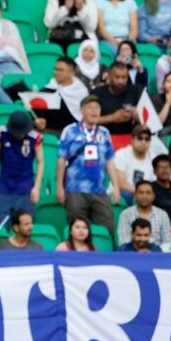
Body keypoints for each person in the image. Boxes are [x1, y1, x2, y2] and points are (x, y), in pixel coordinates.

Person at [56, 95, 123, 237]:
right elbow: (61, 160)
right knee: (76, 229)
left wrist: (115, 186)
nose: (94, 111)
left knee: (107, 227)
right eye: (90, 108)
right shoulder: (70, 130)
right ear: (81, 110)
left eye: (97, 108)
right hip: (75, 189)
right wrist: (59, 188)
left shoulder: (104, 133)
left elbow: (110, 160)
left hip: (99, 189)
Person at [0, 110, 43, 224]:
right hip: (5, 188)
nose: (20, 135)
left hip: (26, 188)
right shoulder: (2, 133)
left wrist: (36, 187)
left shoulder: (35, 137)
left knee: (26, 226)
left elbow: (40, 162)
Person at [117, 180, 171, 248]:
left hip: (156, 255)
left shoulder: (162, 215)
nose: (144, 196)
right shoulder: (125, 214)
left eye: (148, 193)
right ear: (135, 195)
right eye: (141, 193)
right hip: (131, 255)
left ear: (153, 196)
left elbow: (167, 242)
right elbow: (123, 241)